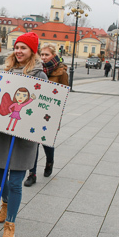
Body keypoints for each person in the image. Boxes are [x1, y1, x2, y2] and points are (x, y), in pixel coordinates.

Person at [0, 32, 47, 237]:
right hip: (1, 133)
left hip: (23, 137)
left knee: (15, 183)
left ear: (32, 51)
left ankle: (10, 224)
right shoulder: (5, 71)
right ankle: (5, 202)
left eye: (24, 47)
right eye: (17, 47)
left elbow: (44, 106)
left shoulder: (40, 76)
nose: (19, 51)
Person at [24, 44, 67, 187]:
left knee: (46, 141)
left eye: (46, 55)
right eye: (41, 54)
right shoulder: (36, 69)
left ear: (54, 56)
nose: (43, 57)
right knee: (33, 142)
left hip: (50, 112)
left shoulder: (61, 72)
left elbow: (63, 96)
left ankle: (50, 161)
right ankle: (32, 173)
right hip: (35, 110)